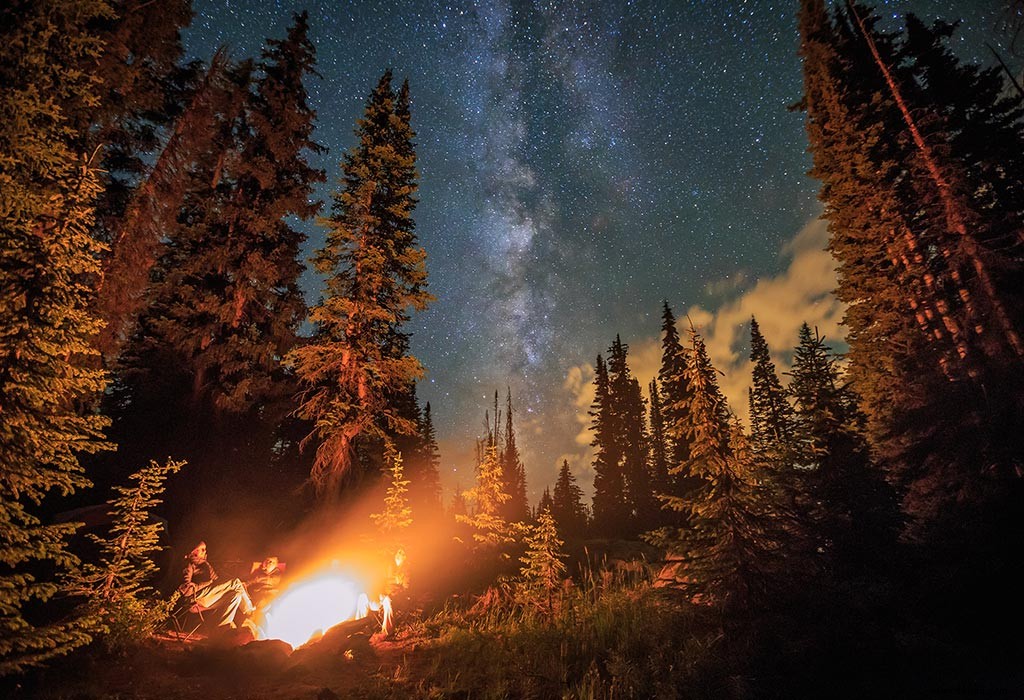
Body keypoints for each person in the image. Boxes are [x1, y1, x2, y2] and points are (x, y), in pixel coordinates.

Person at [179, 541, 254, 629]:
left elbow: (216, 581)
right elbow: (185, 589)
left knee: (236, 595)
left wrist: (225, 582)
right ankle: (249, 610)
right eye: (202, 549)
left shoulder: (204, 564)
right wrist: (207, 583)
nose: (205, 551)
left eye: (205, 549)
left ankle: (223, 628)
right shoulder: (189, 564)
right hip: (196, 598)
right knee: (235, 582)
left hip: (208, 597)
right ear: (194, 551)